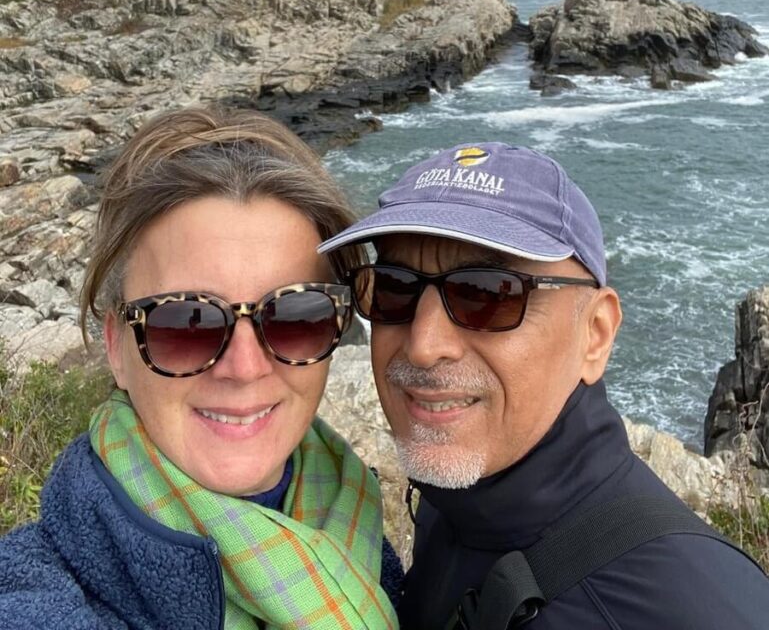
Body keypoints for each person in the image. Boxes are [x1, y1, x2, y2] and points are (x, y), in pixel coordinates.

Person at [319, 141, 769, 629]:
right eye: (393, 287)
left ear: (595, 336)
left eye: (487, 294)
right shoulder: (457, 504)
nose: (425, 345)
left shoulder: (689, 608)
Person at [0, 107, 400, 630]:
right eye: (185, 323)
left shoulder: (359, 533)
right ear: (117, 345)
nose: (244, 367)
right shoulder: (41, 597)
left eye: (297, 314)